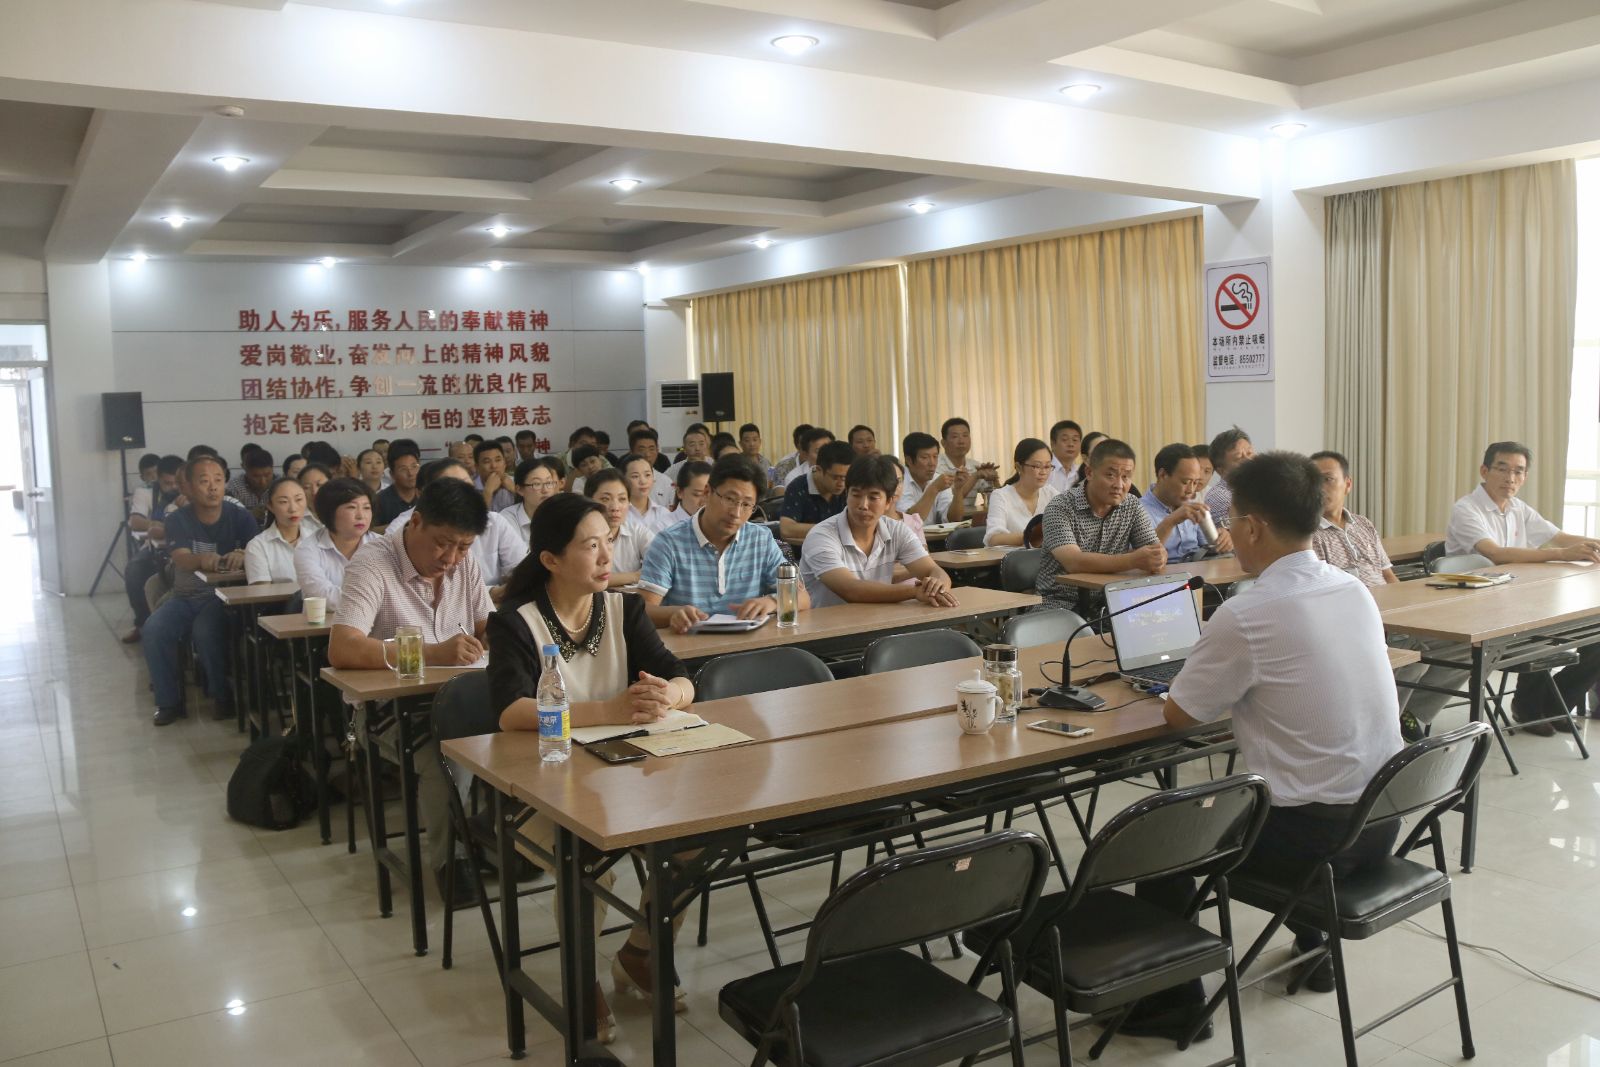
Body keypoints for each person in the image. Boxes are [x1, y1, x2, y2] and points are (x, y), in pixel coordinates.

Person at [1148, 452, 1406, 1034]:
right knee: (1296, 787)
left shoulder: (1248, 613)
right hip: (1382, 820)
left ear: (1253, 527)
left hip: (1318, 842)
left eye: (1231, 518)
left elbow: (1180, 715)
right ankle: (1314, 947)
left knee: (1165, 838)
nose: (1227, 528)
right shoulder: (1352, 588)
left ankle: (1174, 1007)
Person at [488, 493, 698, 1038]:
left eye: (609, 541)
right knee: (587, 855)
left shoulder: (625, 610)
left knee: (696, 842)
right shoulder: (515, 622)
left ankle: (640, 952)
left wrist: (668, 695)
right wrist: (607, 710)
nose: (607, 557)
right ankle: (580, 976)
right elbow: (511, 711)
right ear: (551, 560)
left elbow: (679, 674)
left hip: (627, 775)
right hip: (543, 786)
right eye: (590, 546)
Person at [329, 478, 493, 904]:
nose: (451, 559)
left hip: (461, 697)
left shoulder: (463, 564)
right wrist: (432, 653)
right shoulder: (373, 563)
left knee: (531, 732)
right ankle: (451, 859)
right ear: (416, 522)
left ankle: (499, 838)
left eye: (463, 547)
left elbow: (485, 626)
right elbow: (343, 647)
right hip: (391, 710)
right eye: (442, 544)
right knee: (449, 755)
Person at [1445, 441, 1600, 733]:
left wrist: (1592, 544)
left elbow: (1559, 537)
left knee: (1595, 632)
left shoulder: (1518, 508)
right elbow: (1496, 554)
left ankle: (1555, 705)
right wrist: (1562, 554)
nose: (1510, 478)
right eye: (1503, 469)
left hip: (1517, 600)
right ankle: (1528, 706)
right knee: (1542, 625)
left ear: (1525, 477)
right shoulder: (1467, 509)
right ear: (1484, 471)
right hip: (1477, 608)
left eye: (1518, 471)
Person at [143, 455, 259, 726]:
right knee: (154, 629)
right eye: (204, 481)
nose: (213, 487)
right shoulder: (177, 519)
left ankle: (222, 696)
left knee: (205, 631)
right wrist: (202, 560)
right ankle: (168, 702)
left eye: (218, 480)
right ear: (189, 487)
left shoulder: (240, 516)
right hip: (185, 597)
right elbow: (181, 558)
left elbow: (259, 550)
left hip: (223, 598)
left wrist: (244, 554)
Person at [638, 455, 806, 631]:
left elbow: (803, 597)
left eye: (747, 504)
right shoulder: (669, 542)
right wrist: (673, 614)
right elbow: (643, 610)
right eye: (729, 499)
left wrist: (772, 601)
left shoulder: (760, 539)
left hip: (749, 644)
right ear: (707, 492)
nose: (736, 513)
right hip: (690, 643)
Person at [800, 455, 959, 609]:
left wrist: (937, 585)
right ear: (846, 494)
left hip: (880, 621)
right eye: (856, 495)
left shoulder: (896, 530)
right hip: (829, 625)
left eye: (873, 497)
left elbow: (933, 570)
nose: (863, 505)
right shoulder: (821, 535)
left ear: (888, 501)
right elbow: (850, 589)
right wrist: (914, 591)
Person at [1036, 438, 1163, 609]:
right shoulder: (1060, 506)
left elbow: (1153, 551)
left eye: (1125, 477)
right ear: (1089, 472)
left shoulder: (1131, 504)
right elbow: (1073, 562)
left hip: (1112, 602)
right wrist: (1132, 560)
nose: (1119, 485)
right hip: (1060, 602)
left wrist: (1158, 557)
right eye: (1110, 475)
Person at [389, 459, 526, 597]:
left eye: (468, 487)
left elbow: (521, 569)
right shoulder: (399, 533)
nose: (451, 559)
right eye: (442, 543)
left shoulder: (493, 521)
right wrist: (492, 592)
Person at [122, 453, 184, 642]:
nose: (173, 487)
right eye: (167, 483)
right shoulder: (146, 492)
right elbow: (135, 521)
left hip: (186, 548)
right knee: (134, 569)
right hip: (156, 547)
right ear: (158, 479)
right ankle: (142, 624)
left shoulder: (192, 490)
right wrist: (155, 525)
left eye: (177, 483)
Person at [294, 477, 381, 611]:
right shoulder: (307, 550)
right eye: (352, 507)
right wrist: (372, 601)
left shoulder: (383, 546)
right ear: (329, 511)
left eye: (366, 508)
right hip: (324, 624)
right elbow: (324, 597)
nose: (361, 515)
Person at [1141, 443, 1233, 562]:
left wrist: (1222, 540)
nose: (1191, 490)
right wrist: (1170, 522)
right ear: (1163, 475)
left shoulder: (1191, 505)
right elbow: (1141, 556)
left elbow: (1208, 547)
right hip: (1166, 571)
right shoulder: (1139, 510)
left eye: (1195, 483)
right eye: (1185, 482)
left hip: (1198, 568)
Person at [585, 467, 656, 587]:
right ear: (588, 501)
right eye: (605, 499)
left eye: (622, 499)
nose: (615, 507)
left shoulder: (637, 531)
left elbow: (661, 565)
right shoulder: (580, 535)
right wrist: (635, 576)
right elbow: (588, 579)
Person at [983, 438, 1058, 547]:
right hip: (1012, 557)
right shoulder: (1001, 496)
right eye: (1037, 466)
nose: (1043, 472)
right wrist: (1031, 537)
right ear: (1019, 467)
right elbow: (994, 538)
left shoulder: (1051, 494)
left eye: (1047, 466)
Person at [779, 440, 852, 541]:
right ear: (819, 470)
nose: (841, 484)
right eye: (836, 477)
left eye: (845, 477)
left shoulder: (851, 486)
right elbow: (786, 529)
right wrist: (834, 529)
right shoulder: (798, 487)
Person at [245, 476, 308, 583]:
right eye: (283, 502)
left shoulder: (318, 538)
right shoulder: (258, 546)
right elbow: (262, 591)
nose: (293, 508)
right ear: (270, 506)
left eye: (298, 499)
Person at [899, 431, 969, 524]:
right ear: (909, 460)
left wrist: (958, 491)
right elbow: (911, 521)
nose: (932, 463)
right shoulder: (899, 481)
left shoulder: (938, 479)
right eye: (925, 457)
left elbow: (954, 519)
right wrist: (934, 488)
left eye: (935, 457)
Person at [936, 418, 999, 510]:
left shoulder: (975, 466)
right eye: (955, 437)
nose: (961, 441)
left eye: (965, 435)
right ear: (943, 443)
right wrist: (975, 476)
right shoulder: (936, 466)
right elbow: (951, 501)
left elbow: (996, 501)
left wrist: (993, 479)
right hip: (944, 518)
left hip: (970, 517)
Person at [501, 456, 563, 545]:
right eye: (537, 484)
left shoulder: (564, 512)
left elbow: (584, 545)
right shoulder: (507, 519)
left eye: (549, 482)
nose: (545, 490)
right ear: (520, 490)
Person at [1204, 426, 1254, 529]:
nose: (1249, 460)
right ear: (1221, 470)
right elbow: (1243, 534)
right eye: (1239, 458)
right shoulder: (1219, 497)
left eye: (1250, 453)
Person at [651, 427, 712, 505]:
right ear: (684, 449)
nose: (697, 448)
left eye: (701, 444)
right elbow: (661, 486)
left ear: (707, 446)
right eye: (692, 445)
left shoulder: (715, 466)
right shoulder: (674, 469)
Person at [621, 452, 673, 534]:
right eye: (635, 476)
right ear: (623, 480)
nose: (643, 481)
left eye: (647, 475)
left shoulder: (663, 513)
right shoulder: (618, 513)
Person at [375, 439, 422, 526]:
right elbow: (369, 531)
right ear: (392, 474)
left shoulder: (427, 496)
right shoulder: (379, 501)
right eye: (403, 469)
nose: (411, 473)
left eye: (414, 466)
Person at [662, 460, 711, 528]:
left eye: (709, 494)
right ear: (679, 492)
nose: (704, 501)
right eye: (697, 494)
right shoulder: (663, 527)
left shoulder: (717, 526)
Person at [226, 447, 276, 511]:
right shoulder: (235, 487)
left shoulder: (280, 485)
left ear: (272, 469)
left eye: (267, 475)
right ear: (246, 470)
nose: (262, 481)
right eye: (256, 476)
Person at [475, 439, 516, 511]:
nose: (494, 466)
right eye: (487, 461)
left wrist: (514, 490)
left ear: (504, 463)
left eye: (498, 460)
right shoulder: (469, 488)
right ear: (477, 467)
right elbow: (473, 517)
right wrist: (488, 492)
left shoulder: (517, 482)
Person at [1046, 419, 1083, 493]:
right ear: (1053, 444)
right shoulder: (1045, 470)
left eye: (1075, 440)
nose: (1071, 444)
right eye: (1065, 439)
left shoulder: (1081, 472)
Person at [297, 462, 332, 531]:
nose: (314, 492)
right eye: (307, 487)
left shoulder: (341, 512)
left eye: (319, 485)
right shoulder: (297, 517)